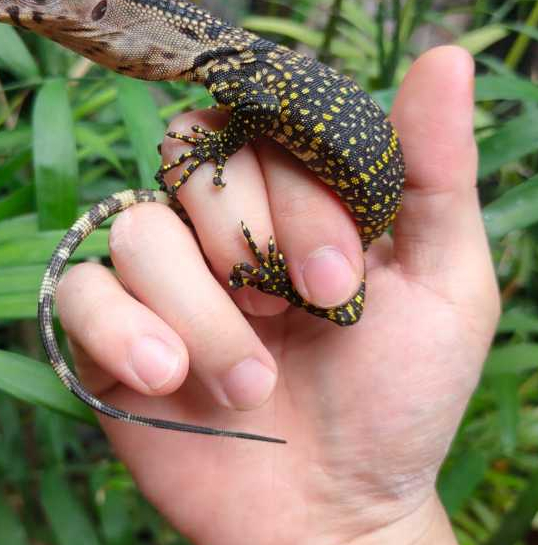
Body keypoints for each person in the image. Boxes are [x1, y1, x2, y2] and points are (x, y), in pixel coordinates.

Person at [56, 46, 500, 545]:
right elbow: (263, 110)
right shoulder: (237, 69)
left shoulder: (239, 75)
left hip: (345, 241)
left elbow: (262, 110)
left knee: (342, 297)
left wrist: (373, 524)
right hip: (330, 229)